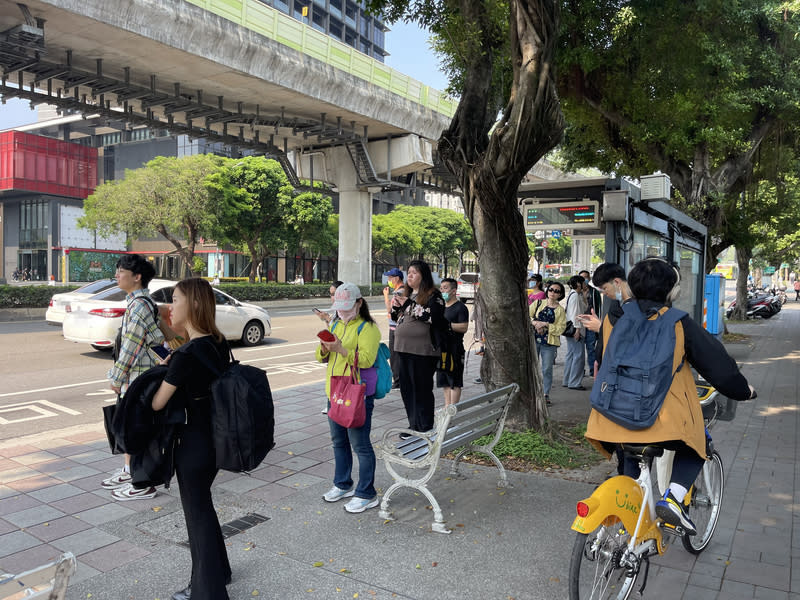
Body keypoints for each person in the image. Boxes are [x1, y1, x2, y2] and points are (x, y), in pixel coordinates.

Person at [585, 258, 756, 535]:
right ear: (671, 291)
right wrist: (743, 391)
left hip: (608, 417)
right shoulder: (679, 323)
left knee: (629, 455)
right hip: (656, 420)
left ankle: (626, 521)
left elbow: (605, 361)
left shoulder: (614, 319)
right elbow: (719, 368)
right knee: (697, 445)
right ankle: (674, 499)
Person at [150, 278, 232, 600]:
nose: (171, 306)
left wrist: (165, 371)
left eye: (176, 299)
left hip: (193, 447)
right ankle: (220, 572)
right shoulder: (217, 342)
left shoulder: (186, 356)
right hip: (216, 441)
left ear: (194, 305)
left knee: (197, 517)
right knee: (203, 510)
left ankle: (207, 591)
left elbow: (158, 402)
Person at [101, 254, 167, 501]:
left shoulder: (139, 306)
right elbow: (155, 342)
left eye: (121, 271)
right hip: (140, 378)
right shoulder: (141, 304)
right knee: (132, 428)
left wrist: (116, 377)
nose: (117, 275)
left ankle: (143, 483)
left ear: (137, 277)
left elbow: (131, 345)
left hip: (138, 379)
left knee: (136, 430)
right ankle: (131, 472)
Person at [315, 282, 382, 513]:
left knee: (360, 445)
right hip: (333, 391)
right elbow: (320, 356)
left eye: (347, 306)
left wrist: (342, 350)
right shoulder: (334, 323)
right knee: (338, 442)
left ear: (359, 303)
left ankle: (367, 493)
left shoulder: (368, 328)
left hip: (356, 394)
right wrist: (325, 349)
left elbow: (366, 359)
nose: (342, 311)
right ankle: (343, 483)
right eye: (339, 306)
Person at [391, 260, 447, 435]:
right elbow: (397, 318)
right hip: (403, 348)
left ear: (424, 276)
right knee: (407, 389)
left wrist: (407, 304)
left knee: (421, 389)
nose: (410, 275)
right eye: (409, 272)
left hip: (423, 350)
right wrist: (396, 307)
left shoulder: (433, 296)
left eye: (414, 272)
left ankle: (425, 426)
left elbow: (433, 318)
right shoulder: (407, 294)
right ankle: (413, 425)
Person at [529, 281, 567, 404]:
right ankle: (531, 392)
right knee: (532, 367)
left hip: (549, 343)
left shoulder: (560, 310)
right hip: (534, 340)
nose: (553, 293)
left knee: (546, 369)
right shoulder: (538, 303)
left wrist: (545, 324)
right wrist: (535, 323)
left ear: (560, 294)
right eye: (551, 290)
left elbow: (560, 328)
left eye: (556, 291)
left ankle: (545, 394)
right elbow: (527, 316)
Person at [437, 278, 470, 406]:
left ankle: (453, 411)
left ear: (454, 291)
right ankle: (447, 408)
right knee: (444, 381)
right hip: (442, 349)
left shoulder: (460, 308)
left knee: (454, 381)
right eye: (441, 288)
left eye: (445, 288)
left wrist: (448, 326)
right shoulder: (441, 307)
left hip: (455, 349)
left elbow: (464, 327)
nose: (442, 290)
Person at [562, 275, 587, 390]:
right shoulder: (575, 296)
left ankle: (567, 380)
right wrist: (577, 330)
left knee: (571, 355)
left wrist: (585, 297)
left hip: (570, 330)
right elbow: (576, 314)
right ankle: (575, 382)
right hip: (576, 330)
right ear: (578, 284)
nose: (585, 284)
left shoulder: (573, 295)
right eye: (583, 282)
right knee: (578, 356)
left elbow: (583, 308)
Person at [383, 268, 405, 389]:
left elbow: (389, 310)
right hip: (398, 327)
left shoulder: (399, 292)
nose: (389, 280)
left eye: (390, 278)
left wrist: (386, 296)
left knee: (395, 355)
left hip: (396, 328)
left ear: (396, 278)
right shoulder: (402, 290)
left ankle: (397, 381)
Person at [579, 269, 602, 376]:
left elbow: (598, 307)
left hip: (590, 323)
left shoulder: (594, 292)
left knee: (591, 347)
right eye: (582, 277)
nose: (584, 280)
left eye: (586, 277)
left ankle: (593, 370)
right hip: (579, 323)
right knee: (578, 350)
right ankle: (579, 370)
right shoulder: (575, 292)